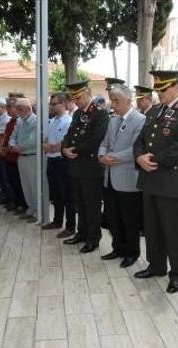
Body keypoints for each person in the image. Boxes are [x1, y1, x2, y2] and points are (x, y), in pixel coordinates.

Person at [133, 70, 178, 293]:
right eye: (157, 90)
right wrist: (139, 157)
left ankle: (177, 274)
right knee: (152, 229)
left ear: (176, 87)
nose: (159, 93)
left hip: (172, 182)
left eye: (163, 90)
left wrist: (152, 160)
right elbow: (141, 140)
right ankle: (156, 265)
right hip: (150, 180)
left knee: (173, 232)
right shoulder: (154, 110)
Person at [99, 84, 146, 268]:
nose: (113, 104)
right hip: (110, 177)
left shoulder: (140, 120)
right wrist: (101, 155)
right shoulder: (113, 120)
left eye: (116, 100)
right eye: (112, 100)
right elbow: (105, 142)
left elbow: (135, 148)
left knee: (130, 219)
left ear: (128, 100)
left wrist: (112, 157)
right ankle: (117, 247)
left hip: (128, 178)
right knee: (112, 217)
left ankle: (131, 253)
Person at [61, 79, 110, 253]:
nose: (76, 101)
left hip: (91, 167)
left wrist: (74, 149)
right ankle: (81, 233)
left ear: (88, 93)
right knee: (79, 203)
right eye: (74, 99)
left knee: (92, 205)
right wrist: (64, 148)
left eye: (79, 97)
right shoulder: (76, 114)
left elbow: (96, 139)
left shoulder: (100, 114)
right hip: (76, 165)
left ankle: (93, 238)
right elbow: (69, 134)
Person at [42, 92, 76, 237]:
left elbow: (66, 142)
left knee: (67, 195)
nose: (52, 106)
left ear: (63, 104)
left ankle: (70, 226)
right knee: (55, 193)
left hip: (63, 161)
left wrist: (53, 147)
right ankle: (57, 220)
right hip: (51, 160)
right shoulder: (52, 121)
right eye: (51, 104)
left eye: (54, 104)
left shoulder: (68, 121)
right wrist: (47, 145)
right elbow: (46, 138)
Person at [8, 97, 39, 222]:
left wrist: (19, 147)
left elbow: (34, 140)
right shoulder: (19, 121)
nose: (18, 111)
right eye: (17, 109)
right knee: (25, 185)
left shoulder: (36, 121)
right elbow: (12, 136)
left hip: (32, 157)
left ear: (28, 108)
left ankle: (38, 211)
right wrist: (12, 145)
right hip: (21, 157)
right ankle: (30, 208)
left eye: (20, 109)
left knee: (34, 185)